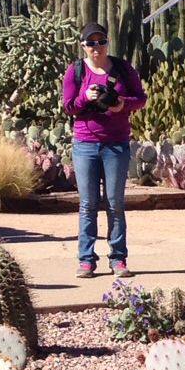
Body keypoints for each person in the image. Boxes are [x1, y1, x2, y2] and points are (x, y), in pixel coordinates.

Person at [62, 23, 145, 279]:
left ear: (107, 43)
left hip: (116, 144)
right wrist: (86, 97)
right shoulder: (75, 71)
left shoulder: (122, 69)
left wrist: (121, 104)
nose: (96, 47)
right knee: (87, 204)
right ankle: (86, 260)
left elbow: (140, 98)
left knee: (114, 203)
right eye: (91, 43)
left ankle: (118, 259)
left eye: (101, 42)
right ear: (83, 46)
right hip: (85, 143)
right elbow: (68, 107)